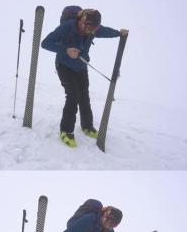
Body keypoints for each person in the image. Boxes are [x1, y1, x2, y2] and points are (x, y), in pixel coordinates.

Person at [41, 9, 128, 148]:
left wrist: (119, 33)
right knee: (72, 96)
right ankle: (66, 131)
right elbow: (45, 43)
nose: (92, 32)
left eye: (95, 29)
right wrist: (66, 50)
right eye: (89, 28)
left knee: (84, 96)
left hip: (81, 66)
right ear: (82, 22)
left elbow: (104, 31)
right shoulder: (67, 27)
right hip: (64, 65)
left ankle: (87, 126)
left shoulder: (94, 28)